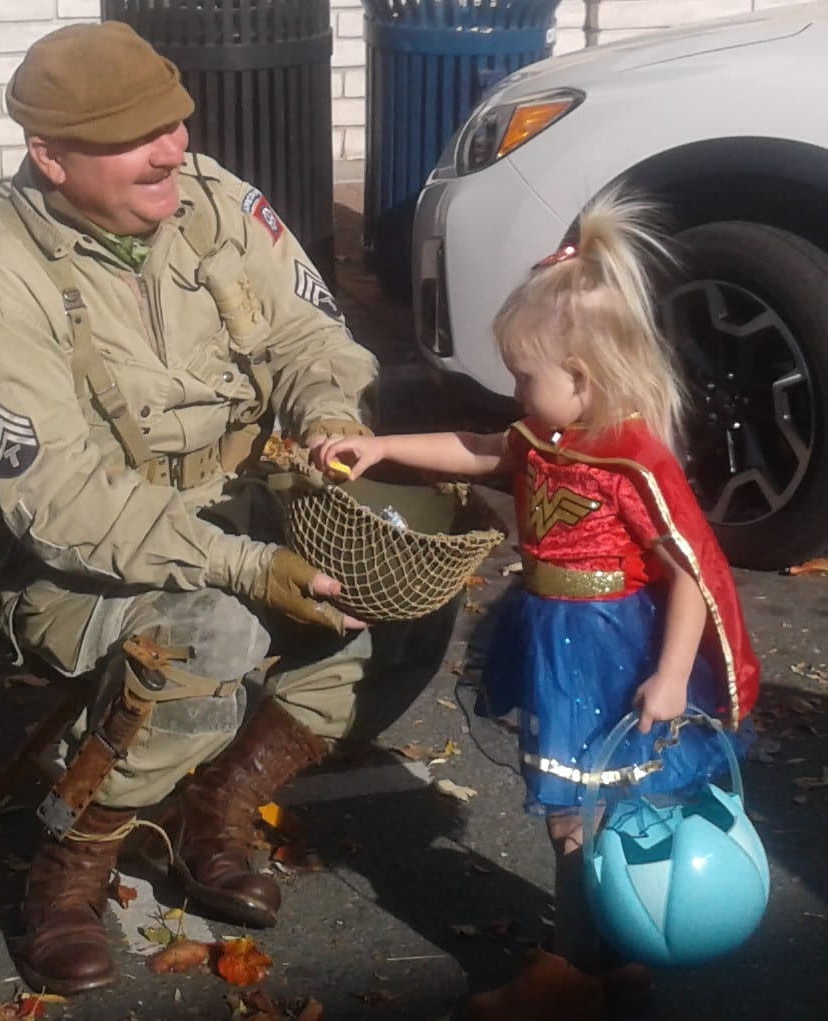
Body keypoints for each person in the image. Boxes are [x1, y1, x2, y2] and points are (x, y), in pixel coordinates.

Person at [0, 20, 446, 997]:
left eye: (174, 125)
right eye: (134, 137)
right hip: (56, 565)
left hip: (230, 506)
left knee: (408, 592)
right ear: (49, 157)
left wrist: (325, 410)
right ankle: (66, 869)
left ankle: (220, 809)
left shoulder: (213, 205)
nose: (172, 150)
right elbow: (62, 507)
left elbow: (308, 335)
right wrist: (246, 567)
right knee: (211, 632)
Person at [314, 192, 760, 1020]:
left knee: (593, 811)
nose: (513, 390)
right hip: (551, 636)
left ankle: (568, 969)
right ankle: (607, 958)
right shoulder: (540, 437)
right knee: (580, 808)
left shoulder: (632, 464)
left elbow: (693, 572)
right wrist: (381, 444)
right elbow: (479, 449)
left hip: (611, 647)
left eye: (525, 375)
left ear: (582, 380)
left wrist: (669, 677)